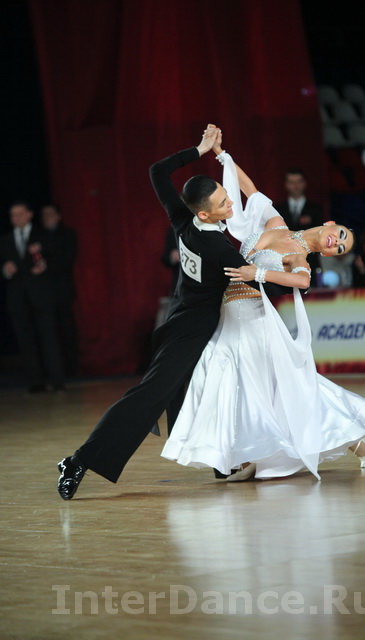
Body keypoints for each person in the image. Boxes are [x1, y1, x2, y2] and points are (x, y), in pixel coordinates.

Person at [57, 126, 288, 499]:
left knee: (216, 387)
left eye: (227, 196)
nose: (232, 205)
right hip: (191, 332)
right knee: (149, 397)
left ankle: (222, 461)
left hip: (191, 322)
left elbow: (156, 172)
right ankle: (78, 461)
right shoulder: (220, 250)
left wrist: (200, 149)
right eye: (224, 204)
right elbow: (262, 283)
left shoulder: (183, 220)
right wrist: (295, 270)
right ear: (205, 212)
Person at [161, 139, 365, 481]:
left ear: (329, 254)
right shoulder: (276, 225)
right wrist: (222, 155)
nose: (336, 242)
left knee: (279, 386)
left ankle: (350, 438)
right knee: (236, 384)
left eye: (340, 248)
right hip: (228, 315)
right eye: (340, 235)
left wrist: (258, 274)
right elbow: (250, 190)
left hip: (254, 319)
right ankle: (251, 455)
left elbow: (301, 281)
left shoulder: (299, 256)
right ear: (330, 223)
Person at [0, 202, 65, 392]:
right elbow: (3, 266)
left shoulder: (43, 235)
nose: (16, 218)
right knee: (26, 341)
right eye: (13, 215)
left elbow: (59, 260)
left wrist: (46, 265)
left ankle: (57, 380)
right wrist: (6, 270)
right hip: (17, 298)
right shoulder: (5, 240)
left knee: (49, 339)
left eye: (20, 214)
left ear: (29, 214)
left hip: (41, 296)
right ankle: (36, 382)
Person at [41, 204, 79, 374]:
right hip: (43, 292)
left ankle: (72, 367)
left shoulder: (68, 234)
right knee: (48, 331)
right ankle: (53, 368)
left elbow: (67, 259)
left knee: (66, 328)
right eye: (44, 215)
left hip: (63, 290)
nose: (46, 218)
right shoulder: (38, 236)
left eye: (50, 214)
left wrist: (47, 265)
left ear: (58, 216)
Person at [274, 168, 323, 286]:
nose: (295, 186)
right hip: (283, 263)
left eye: (299, 181)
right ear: (286, 185)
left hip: (310, 263)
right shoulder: (277, 210)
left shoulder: (315, 209)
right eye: (292, 182)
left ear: (304, 183)